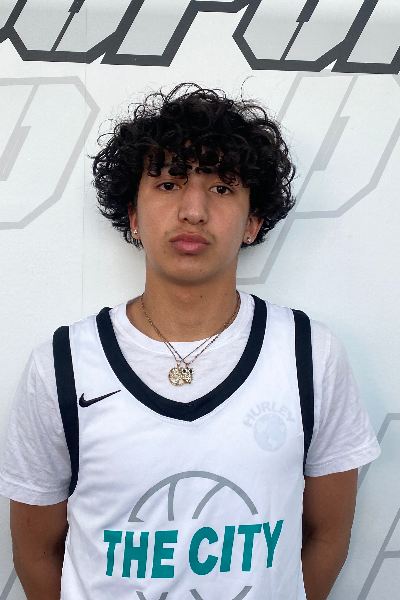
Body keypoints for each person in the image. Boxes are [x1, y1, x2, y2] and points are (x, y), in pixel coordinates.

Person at [0, 84, 380, 600]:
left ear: (253, 222)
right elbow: (37, 552)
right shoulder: (62, 364)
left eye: (222, 188)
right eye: (168, 183)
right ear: (134, 217)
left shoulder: (309, 356)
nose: (193, 210)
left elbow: (327, 536)